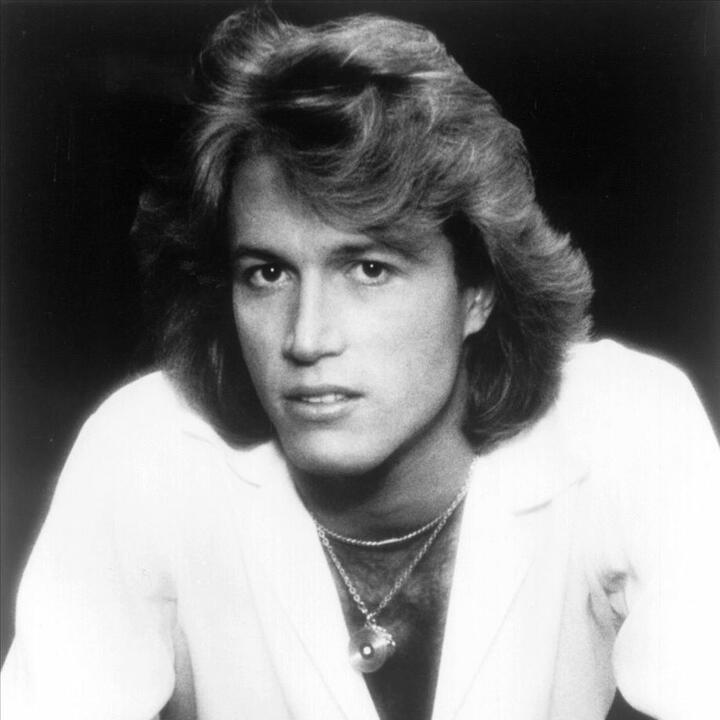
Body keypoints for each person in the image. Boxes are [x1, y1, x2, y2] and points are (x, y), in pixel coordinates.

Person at [2, 9, 718, 720]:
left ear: (477, 292)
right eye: (268, 274)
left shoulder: (624, 424)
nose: (306, 337)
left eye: (369, 269)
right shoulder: (149, 448)